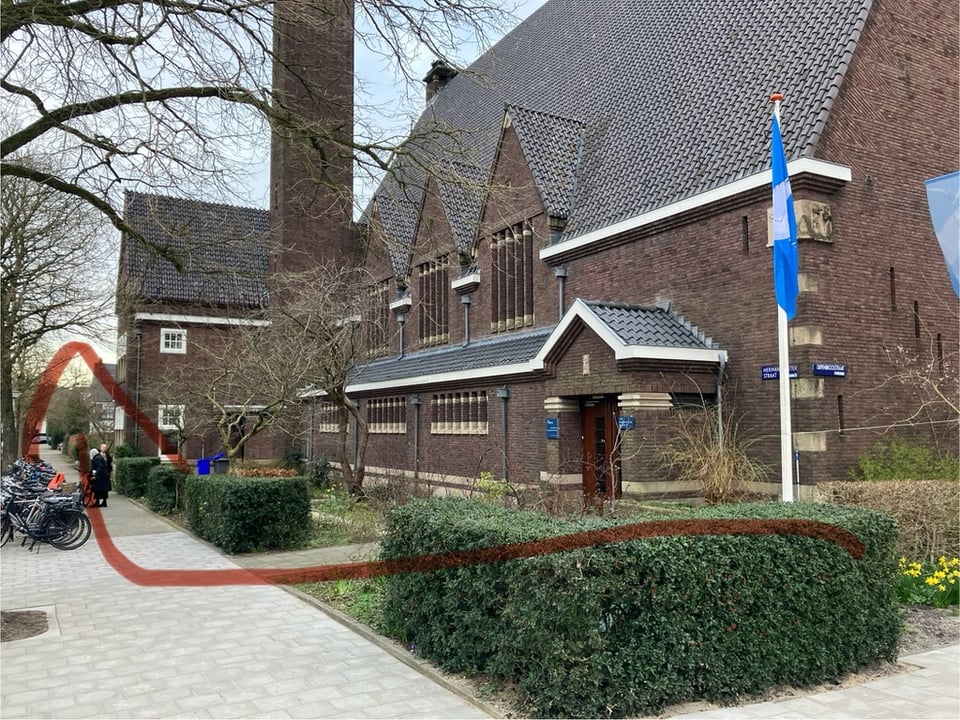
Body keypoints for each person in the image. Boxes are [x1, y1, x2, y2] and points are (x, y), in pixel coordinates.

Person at [90, 443, 112, 507]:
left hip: (102, 476)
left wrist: (95, 473)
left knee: (101, 489)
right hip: (102, 476)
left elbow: (102, 466)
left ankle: (100, 502)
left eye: (105, 447)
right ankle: (100, 502)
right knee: (101, 489)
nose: (104, 449)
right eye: (103, 447)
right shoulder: (98, 457)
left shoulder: (100, 457)